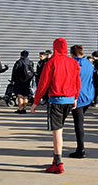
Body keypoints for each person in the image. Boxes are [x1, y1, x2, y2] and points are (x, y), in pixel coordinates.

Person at [31, 38, 81, 174]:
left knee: (57, 131)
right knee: (60, 128)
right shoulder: (74, 63)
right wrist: (75, 98)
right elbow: (77, 81)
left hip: (57, 100)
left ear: (54, 48)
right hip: (70, 99)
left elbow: (43, 84)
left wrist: (35, 102)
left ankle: (58, 162)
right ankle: (55, 160)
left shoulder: (51, 63)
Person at [70, 45, 94, 158]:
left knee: (78, 124)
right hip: (88, 96)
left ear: (72, 54)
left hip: (77, 97)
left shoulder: (72, 63)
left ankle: (81, 149)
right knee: (80, 122)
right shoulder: (89, 63)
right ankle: (80, 148)